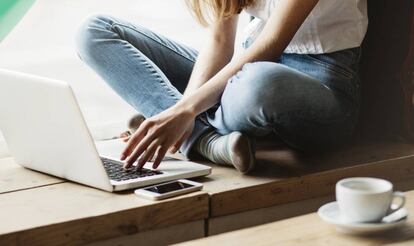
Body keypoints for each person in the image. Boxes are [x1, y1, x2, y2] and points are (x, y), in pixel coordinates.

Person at [76, 0, 368, 174]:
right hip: (240, 78)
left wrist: (183, 110)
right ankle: (206, 141)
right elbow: (219, 44)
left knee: (259, 81)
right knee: (95, 30)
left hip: (316, 88)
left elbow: (271, 44)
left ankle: (178, 123)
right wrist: (180, 111)